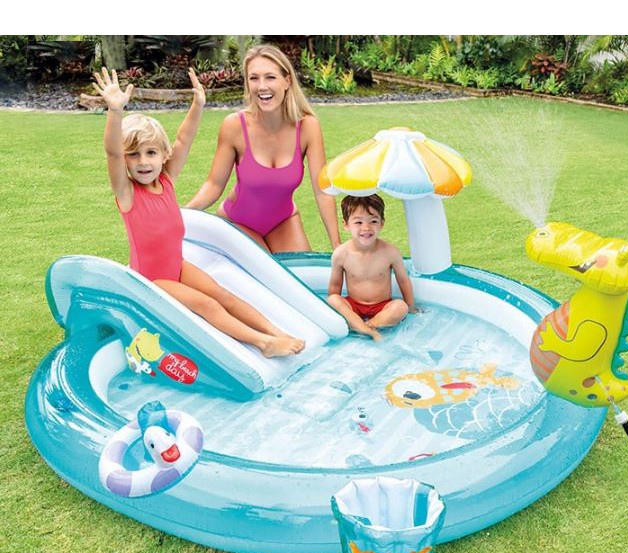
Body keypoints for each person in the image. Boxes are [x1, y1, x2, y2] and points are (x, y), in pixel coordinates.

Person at [92, 67, 304, 358]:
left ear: (163, 155)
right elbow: (112, 153)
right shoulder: (127, 194)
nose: (143, 162)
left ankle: (275, 332)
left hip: (176, 267)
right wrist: (115, 111)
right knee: (207, 305)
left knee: (222, 294)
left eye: (151, 153)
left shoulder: (166, 181)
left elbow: (183, 140)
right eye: (134, 155)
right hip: (152, 281)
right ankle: (263, 343)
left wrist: (198, 105)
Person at [186, 44, 340, 253]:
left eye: (270, 77)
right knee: (266, 271)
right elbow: (214, 184)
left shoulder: (308, 127)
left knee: (300, 271)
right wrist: (182, 214)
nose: (262, 86)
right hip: (238, 222)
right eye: (254, 78)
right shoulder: (234, 126)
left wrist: (337, 245)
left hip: (283, 221)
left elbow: (322, 191)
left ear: (287, 81)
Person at [327, 195, 416, 341]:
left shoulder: (390, 252)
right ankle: (368, 329)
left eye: (373, 221)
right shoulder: (341, 254)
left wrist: (411, 306)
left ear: (381, 223)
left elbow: (403, 281)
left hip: (382, 307)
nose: (366, 228)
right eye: (358, 222)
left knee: (401, 307)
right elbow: (335, 286)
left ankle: (366, 327)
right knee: (333, 300)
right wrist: (335, 311)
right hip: (353, 306)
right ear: (346, 224)